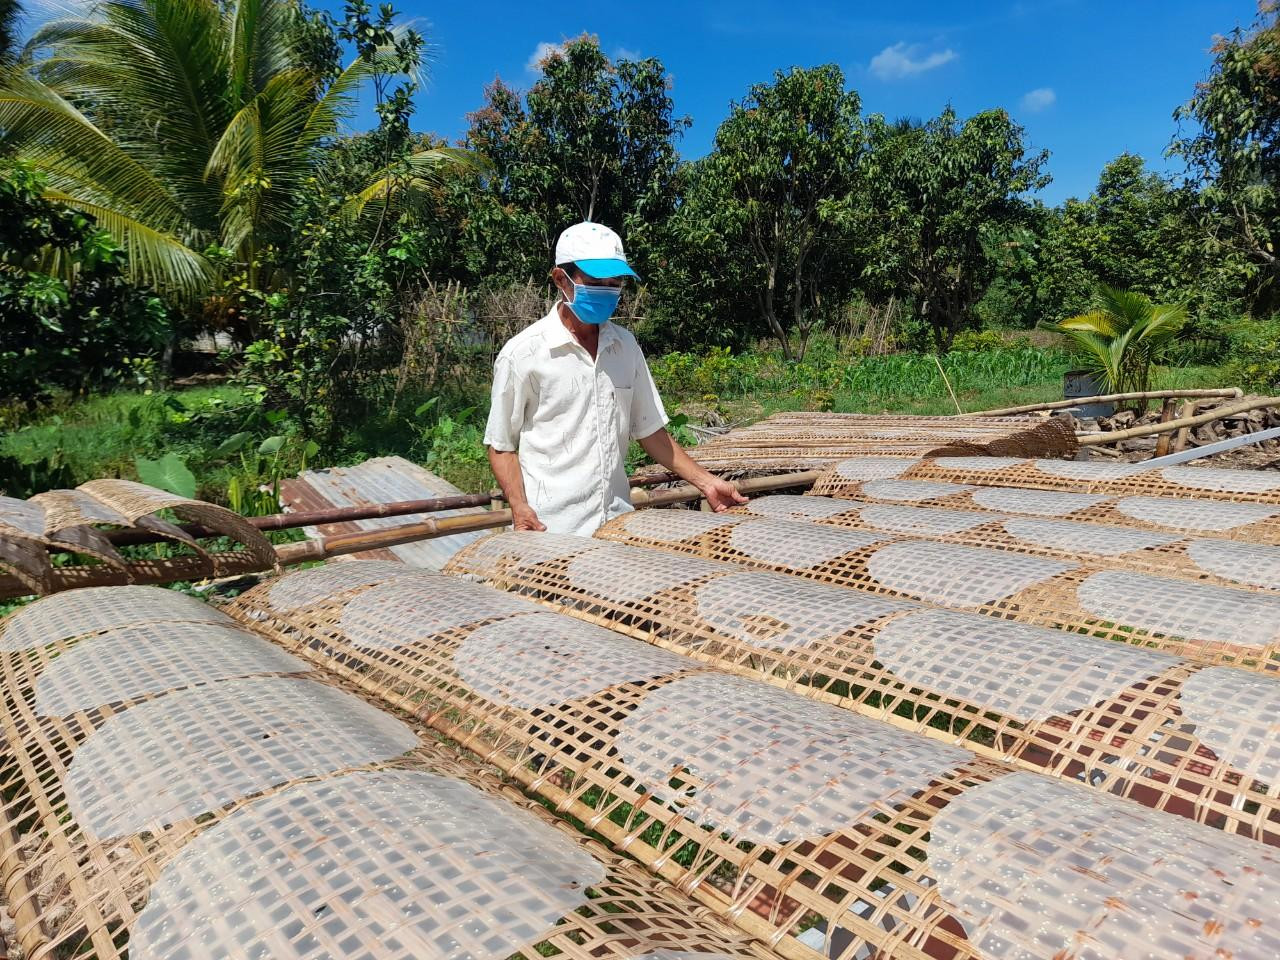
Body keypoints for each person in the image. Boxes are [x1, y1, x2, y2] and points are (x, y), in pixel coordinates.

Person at [484, 221, 746, 536]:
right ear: (560, 279)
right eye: (595, 281)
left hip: (615, 526)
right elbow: (501, 445)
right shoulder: (523, 354)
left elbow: (649, 430)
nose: (607, 291)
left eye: (614, 282)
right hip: (549, 531)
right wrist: (518, 505)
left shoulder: (625, 346)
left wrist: (707, 482)